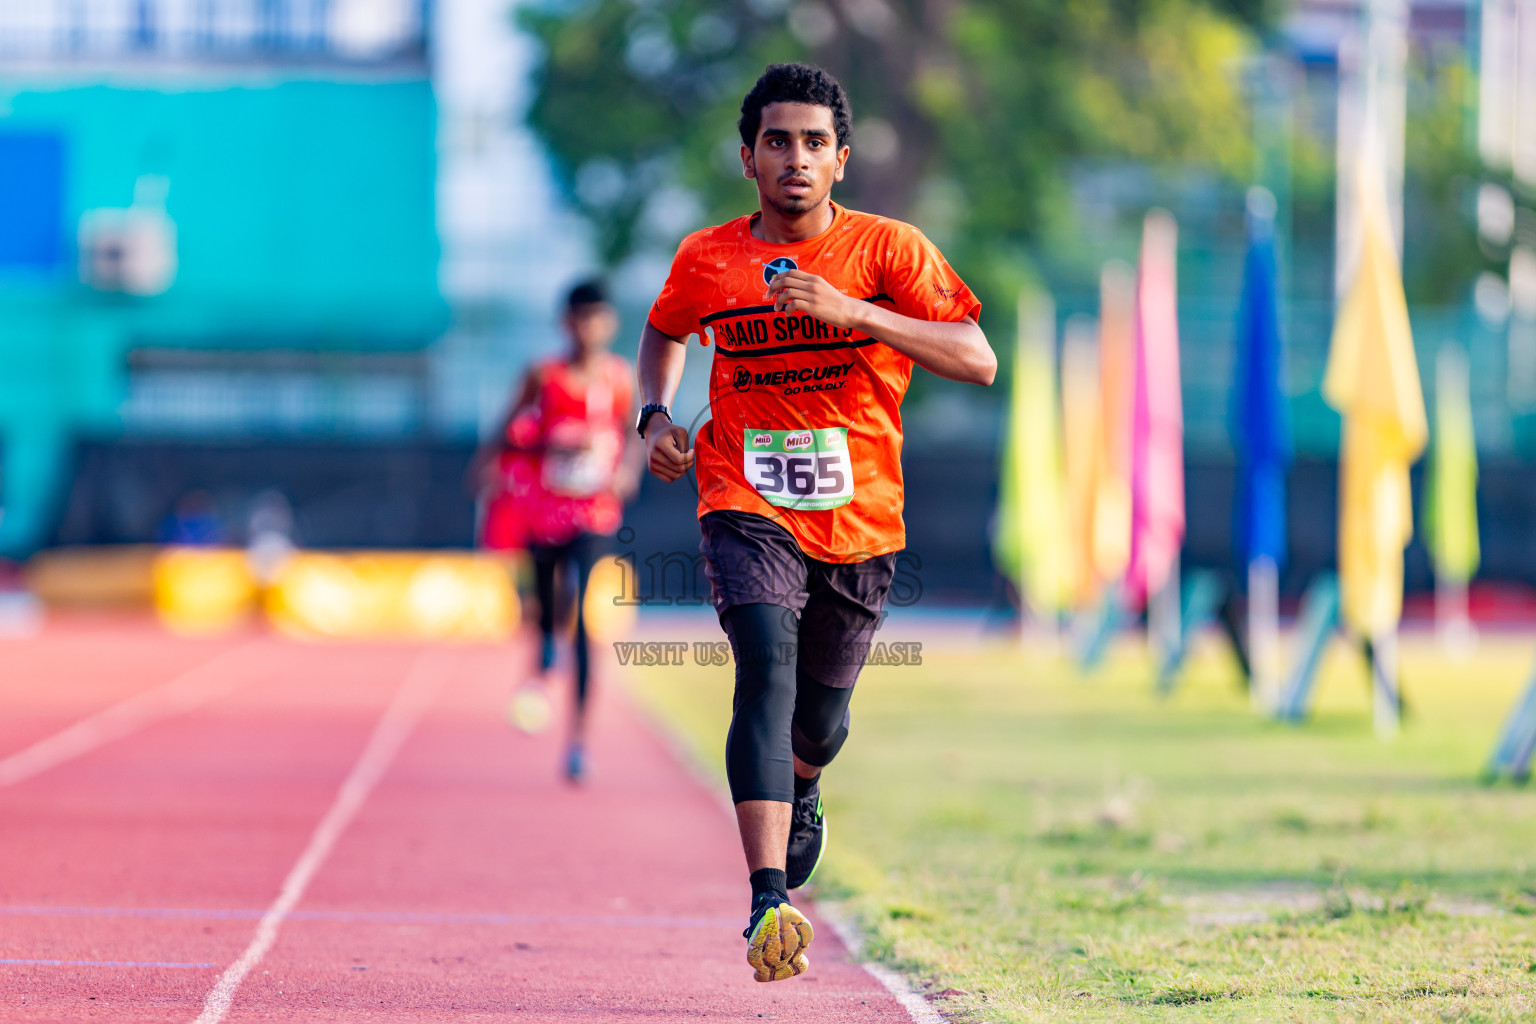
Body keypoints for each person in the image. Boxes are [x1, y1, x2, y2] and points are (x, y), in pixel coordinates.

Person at [635, 63, 995, 982]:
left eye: (813, 143)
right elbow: (666, 330)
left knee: (822, 724)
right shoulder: (707, 259)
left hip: (861, 516)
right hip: (742, 500)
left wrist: (850, 311)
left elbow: (977, 357)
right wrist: (656, 416)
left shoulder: (888, 249)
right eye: (777, 142)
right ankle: (766, 898)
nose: (795, 158)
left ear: (840, 159)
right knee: (764, 668)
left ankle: (804, 785)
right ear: (747, 157)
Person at [476, 279, 640, 782]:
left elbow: (635, 430)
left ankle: (579, 740)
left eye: (597, 318)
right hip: (544, 509)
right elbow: (507, 431)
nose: (588, 328)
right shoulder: (543, 375)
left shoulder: (619, 378)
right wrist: (547, 449)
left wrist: (627, 470)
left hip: (592, 511)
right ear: (565, 322)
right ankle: (544, 652)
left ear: (608, 323)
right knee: (546, 609)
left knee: (585, 613)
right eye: (579, 318)